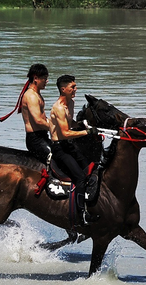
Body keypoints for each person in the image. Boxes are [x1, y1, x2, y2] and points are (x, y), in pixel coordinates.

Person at [49, 75, 99, 224]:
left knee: (91, 169)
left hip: (68, 145)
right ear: (63, 89)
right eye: (73, 87)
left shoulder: (70, 102)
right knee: (80, 178)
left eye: (75, 86)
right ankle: (81, 216)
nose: (75, 89)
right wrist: (87, 132)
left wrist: (86, 126)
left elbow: (70, 124)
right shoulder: (58, 108)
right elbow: (64, 133)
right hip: (59, 148)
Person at [1, 64, 52, 164]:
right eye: (44, 79)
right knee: (55, 157)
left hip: (42, 136)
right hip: (35, 139)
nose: (47, 81)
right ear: (36, 78)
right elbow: (38, 121)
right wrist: (56, 128)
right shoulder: (31, 96)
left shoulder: (37, 95)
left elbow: (44, 118)